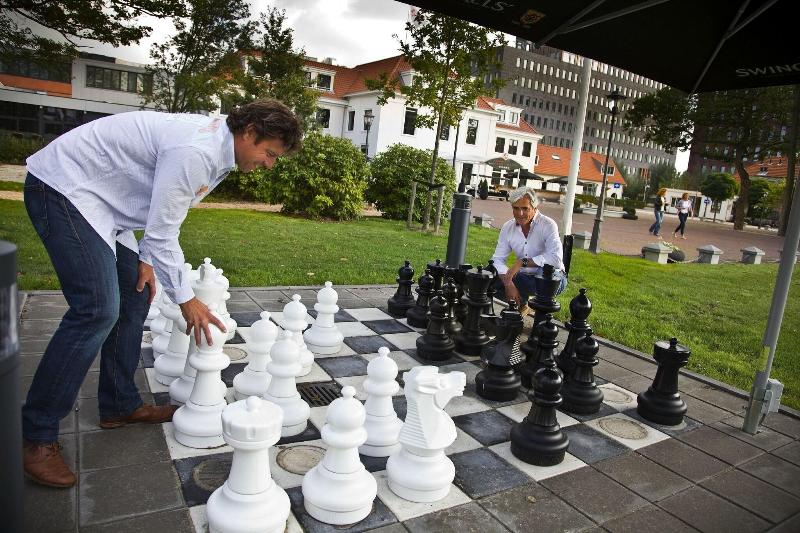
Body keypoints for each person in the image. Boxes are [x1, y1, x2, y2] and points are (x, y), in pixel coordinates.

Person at [21, 99, 303, 488]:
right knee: (97, 310)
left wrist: (148, 260)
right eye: (269, 153)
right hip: (64, 189)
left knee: (136, 292)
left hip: (104, 206)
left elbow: (159, 213)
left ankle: (119, 405)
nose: (270, 163)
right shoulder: (196, 151)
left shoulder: (218, 149)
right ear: (249, 132)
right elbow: (163, 232)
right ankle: (36, 436)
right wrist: (187, 301)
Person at [491, 186, 567, 315]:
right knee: (489, 278)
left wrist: (522, 262)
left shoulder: (548, 224)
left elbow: (556, 260)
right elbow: (497, 259)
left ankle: (541, 321)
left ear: (534, 208)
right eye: (516, 208)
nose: (520, 214)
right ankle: (521, 305)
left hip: (552, 278)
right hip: (524, 277)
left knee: (544, 280)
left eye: (525, 208)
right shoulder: (508, 227)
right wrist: (508, 283)